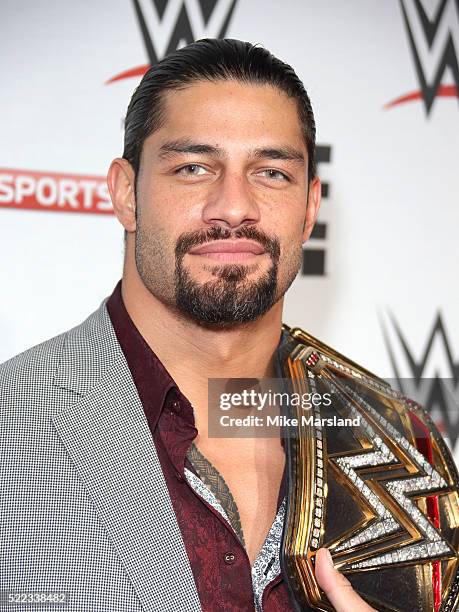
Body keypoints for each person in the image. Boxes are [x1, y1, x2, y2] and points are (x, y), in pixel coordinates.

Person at [0, 38, 377, 611]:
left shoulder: (395, 448)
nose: (233, 206)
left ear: (309, 208)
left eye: (271, 172)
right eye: (193, 167)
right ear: (126, 194)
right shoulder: (11, 426)